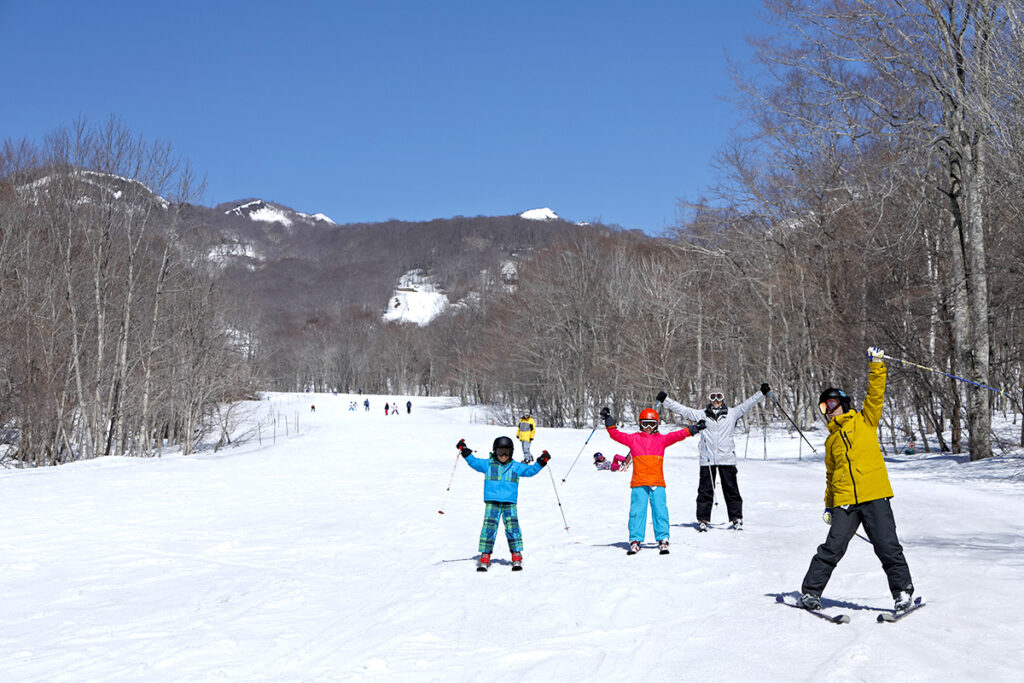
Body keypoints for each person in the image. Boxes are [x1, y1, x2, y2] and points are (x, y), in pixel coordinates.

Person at [798, 347, 915, 612]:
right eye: (823, 406)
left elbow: (876, 395)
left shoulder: (865, 420)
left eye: (830, 404)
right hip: (845, 501)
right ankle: (810, 593)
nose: (827, 410)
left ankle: (903, 593)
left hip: (874, 495)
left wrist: (877, 365)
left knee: (887, 547)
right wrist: (829, 505)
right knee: (831, 548)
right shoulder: (831, 442)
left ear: (842, 402)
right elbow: (830, 477)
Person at [657, 383, 769, 531]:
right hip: (707, 459)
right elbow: (683, 410)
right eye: (713, 397)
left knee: (731, 489)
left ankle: (736, 518)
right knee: (705, 490)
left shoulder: (732, 413)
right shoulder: (701, 414)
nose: (716, 400)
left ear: (723, 398)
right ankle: (703, 519)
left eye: (719, 396)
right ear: (709, 399)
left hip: (727, 458)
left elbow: (748, 404)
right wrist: (666, 400)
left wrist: (761, 393)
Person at [602, 406, 705, 555]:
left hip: (657, 483)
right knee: (637, 512)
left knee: (660, 511)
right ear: (640, 424)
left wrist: (694, 429)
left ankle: (662, 539)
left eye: (652, 424)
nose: (648, 428)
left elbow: (678, 435)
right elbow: (615, 434)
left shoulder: (662, 440)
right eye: (645, 424)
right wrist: (608, 420)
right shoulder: (633, 439)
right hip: (639, 483)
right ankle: (635, 540)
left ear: (657, 425)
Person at [457, 436, 550, 571]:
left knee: (513, 528)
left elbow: (530, 471)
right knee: (489, 529)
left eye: (507, 452)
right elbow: (474, 463)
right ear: (495, 451)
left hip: (509, 503)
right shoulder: (488, 464)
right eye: (501, 452)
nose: (503, 455)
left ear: (511, 452)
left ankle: (516, 554)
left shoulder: (516, 466)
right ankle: (485, 555)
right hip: (492, 502)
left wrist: (541, 462)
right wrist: (465, 451)